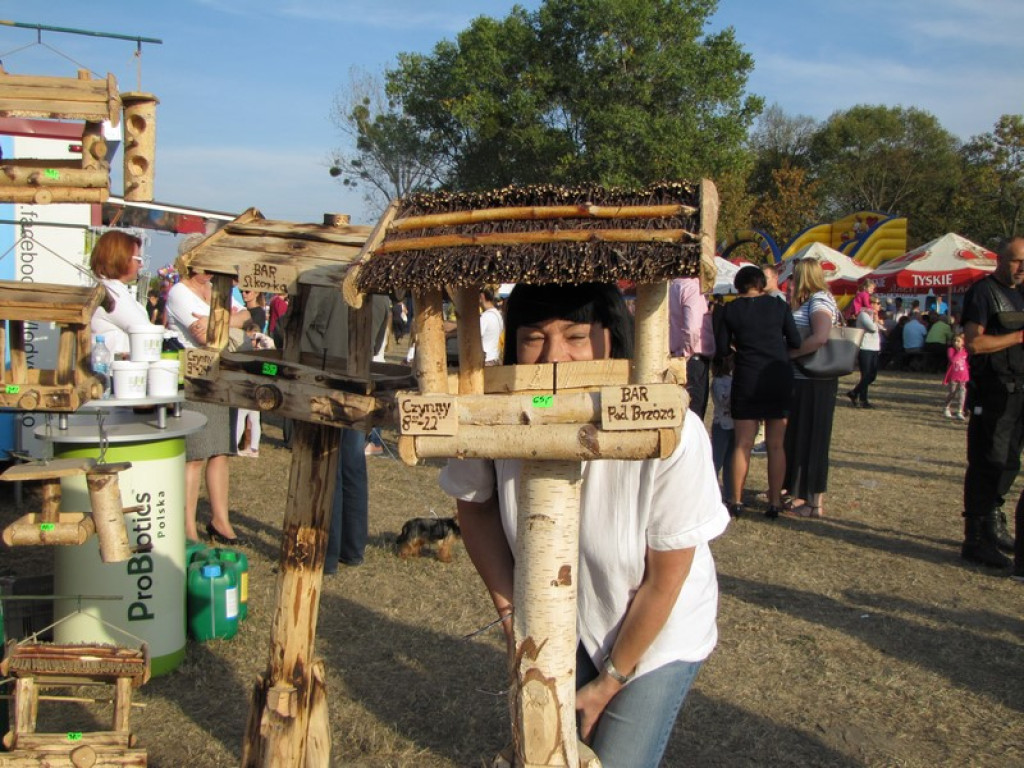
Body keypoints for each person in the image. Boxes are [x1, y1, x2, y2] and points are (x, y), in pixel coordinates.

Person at [441, 282, 729, 768]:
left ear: (613, 339)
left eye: (576, 336)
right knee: (548, 746)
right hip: (559, 619)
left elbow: (666, 579)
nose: (554, 357)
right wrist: (513, 615)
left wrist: (612, 678)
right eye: (533, 338)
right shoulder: (492, 417)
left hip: (658, 628)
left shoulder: (671, 431)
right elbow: (476, 508)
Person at [298, 284, 390, 572]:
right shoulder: (380, 293)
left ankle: (327, 554)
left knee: (330, 467)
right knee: (352, 465)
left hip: (325, 384)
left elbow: (303, 336)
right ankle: (351, 549)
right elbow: (375, 345)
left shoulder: (323, 286)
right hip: (358, 382)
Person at [165, 236, 250, 544]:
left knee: (221, 451)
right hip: (196, 377)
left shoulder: (219, 289)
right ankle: (187, 526)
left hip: (222, 374)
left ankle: (220, 519)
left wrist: (221, 323)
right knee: (195, 455)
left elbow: (246, 316)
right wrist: (230, 323)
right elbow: (203, 336)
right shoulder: (178, 292)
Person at [715, 266, 801, 519]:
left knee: (743, 444)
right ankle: (774, 502)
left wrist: (737, 345)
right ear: (762, 284)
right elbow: (795, 341)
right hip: (777, 376)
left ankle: (736, 500)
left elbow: (721, 349)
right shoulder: (779, 306)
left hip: (748, 376)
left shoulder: (729, 310)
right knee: (776, 445)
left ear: (738, 286)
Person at [959, 237, 1024, 569]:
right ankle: (976, 537)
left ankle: (993, 520)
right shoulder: (984, 292)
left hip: (1019, 389)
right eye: (1016, 261)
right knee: (988, 460)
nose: (1021, 268)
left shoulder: (1022, 292)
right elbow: (973, 343)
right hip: (993, 389)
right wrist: (1017, 336)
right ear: (1000, 260)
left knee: (1010, 462)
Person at [783, 259, 841, 519]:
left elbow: (820, 337)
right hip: (803, 379)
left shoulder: (820, 301)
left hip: (815, 380)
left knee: (814, 438)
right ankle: (801, 494)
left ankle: (815, 502)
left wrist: (791, 354)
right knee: (801, 436)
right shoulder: (811, 301)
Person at [89, 231, 151, 357]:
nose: (141, 264)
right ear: (120, 258)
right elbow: (145, 331)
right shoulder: (113, 292)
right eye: (138, 259)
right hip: (113, 372)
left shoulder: (112, 288)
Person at [669, 276, 715, 418]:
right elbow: (692, 328)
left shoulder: (672, 286)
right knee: (694, 413)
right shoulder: (692, 288)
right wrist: (688, 351)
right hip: (692, 357)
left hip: (676, 354)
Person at [235, 321, 274, 457]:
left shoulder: (260, 346)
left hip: (252, 386)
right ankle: (253, 448)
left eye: (250, 338)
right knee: (254, 418)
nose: (249, 341)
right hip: (262, 385)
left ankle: (234, 446)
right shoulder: (267, 345)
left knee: (241, 416)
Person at [846, 296, 882, 408]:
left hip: (874, 347)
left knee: (872, 375)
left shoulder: (872, 315)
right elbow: (872, 328)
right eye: (877, 303)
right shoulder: (863, 315)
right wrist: (876, 321)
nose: (879, 305)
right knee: (866, 375)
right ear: (870, 304)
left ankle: (854, 393)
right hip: (865, 347)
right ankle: (863, 399)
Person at [710, 354, 736, 503]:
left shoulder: (731, 380)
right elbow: (723, 400)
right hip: (722, 425)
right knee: (717, 459)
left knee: (730, 461)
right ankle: (710, 490)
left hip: (732, 425)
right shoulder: (719, 382)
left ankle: (730, 493)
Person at [943, 333, 969, 420]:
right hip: (953, 376)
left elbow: (966, 363)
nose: (956, 342)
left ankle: (959, 411)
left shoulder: (966, 351)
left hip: (963, 376)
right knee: (952, 393)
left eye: (958, 341)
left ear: (963, 342)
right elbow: (952, 359)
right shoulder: (951, 350)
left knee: (962, 394)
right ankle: (946, 407)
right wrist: (959, 352)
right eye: (954, 340)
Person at [479, 286, 504, 365]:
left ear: (482, 296)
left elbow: (475, 335)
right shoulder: (498, 314)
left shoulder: (485, 317)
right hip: (495, 357)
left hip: (487, 359)